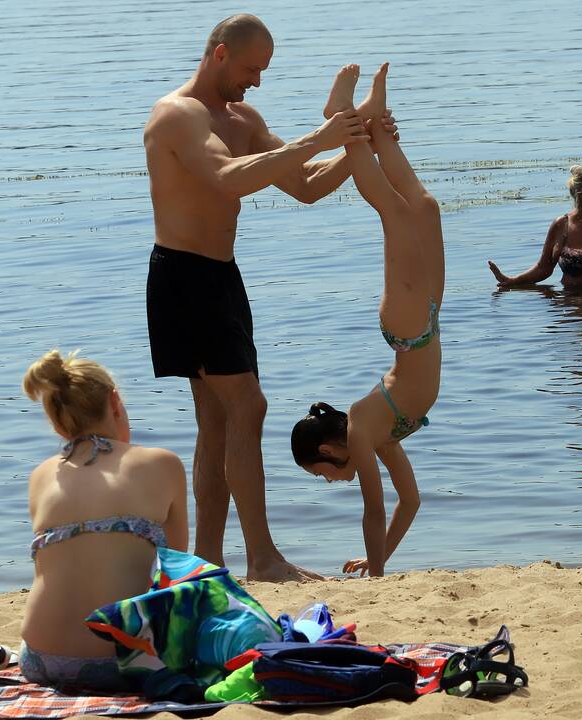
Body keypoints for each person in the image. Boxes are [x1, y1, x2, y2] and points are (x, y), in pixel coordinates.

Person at [143, 14, 398, 582]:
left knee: (215, 421)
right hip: (183, 277)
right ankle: (261, 557)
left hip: (222, 277)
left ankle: (207, 563)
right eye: (252, 68)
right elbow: (228, 178)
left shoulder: (243, 118)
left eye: (264, 70)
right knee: (247, 406)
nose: (257, 81)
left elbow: (304, 184)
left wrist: (360, 144)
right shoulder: (178, 115)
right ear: (218, 54)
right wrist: (320, 136)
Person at [290, 63, 440, 578]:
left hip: (408, 328)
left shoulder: (360, 434)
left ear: (330, 451)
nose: (332, 483)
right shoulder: (379, 435)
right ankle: (372, 125)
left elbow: (374, 510)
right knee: (424, 207)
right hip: (428, 321)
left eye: (322, 475)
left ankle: (339, 116)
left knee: (395, 213)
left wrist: (376, 577)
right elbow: (410, 502)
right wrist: (379, 561)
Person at [19, 350, 188, 691]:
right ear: (115, 402)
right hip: (125, 661)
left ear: (56, 422)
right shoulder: (162, 463)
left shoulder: (40, 476)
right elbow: (176, 567)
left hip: (39, 659)